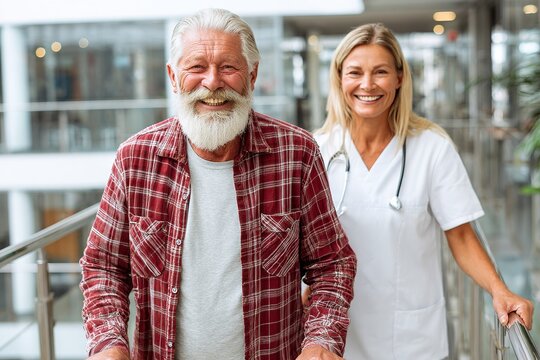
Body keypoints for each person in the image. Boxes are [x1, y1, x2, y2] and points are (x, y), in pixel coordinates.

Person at [79, 8, 356, 360]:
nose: (212, 82)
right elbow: (103, 267)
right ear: (173, 77)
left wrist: (321, 341)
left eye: (228, 67)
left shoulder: (296, 154)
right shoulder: (135, 159)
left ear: (252, 75)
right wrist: (109, 343)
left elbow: (333, 264)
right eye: (196, 67)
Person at [308, 23, 534, 359]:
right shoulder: (317, 150)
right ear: (340, 78)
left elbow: (460, 234)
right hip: (335, 336)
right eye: (355, 72)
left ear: (399, 77)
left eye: (380, 72)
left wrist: (498, 290)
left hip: (411, 338)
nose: (367, 84)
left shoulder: (432, 147)